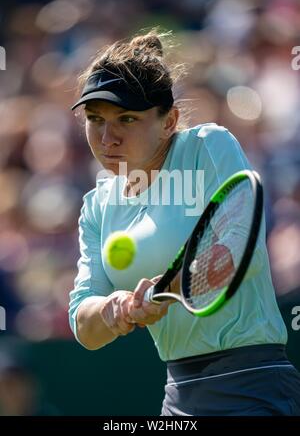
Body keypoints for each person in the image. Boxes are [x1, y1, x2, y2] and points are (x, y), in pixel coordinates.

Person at [68, 30, 300, 416]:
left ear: (169, 121)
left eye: (126, 118)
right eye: (95, 120)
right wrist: (117, 308)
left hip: (255, 383)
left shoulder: (208, 146)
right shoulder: (97, 205)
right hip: (179, 397)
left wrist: (164, 287)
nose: (107, 137)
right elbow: (83, 326)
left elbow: (231, 250)